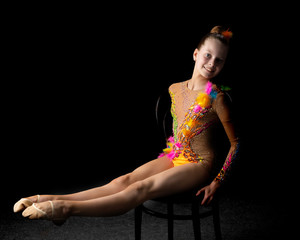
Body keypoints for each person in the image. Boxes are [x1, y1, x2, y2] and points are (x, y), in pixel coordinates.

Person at [13, 26, 240, 224]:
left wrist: (217, 182)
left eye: (219, 60)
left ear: (224, 64)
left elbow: (237, 144)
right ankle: (48, 199)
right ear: (195, 54)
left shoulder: (217, 98)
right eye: (207, 56)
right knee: (124, 180)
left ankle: (66, 209)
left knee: (140, 188)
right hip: (176, 155)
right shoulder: (174, 89)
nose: (211, 64)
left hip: (199, 164)